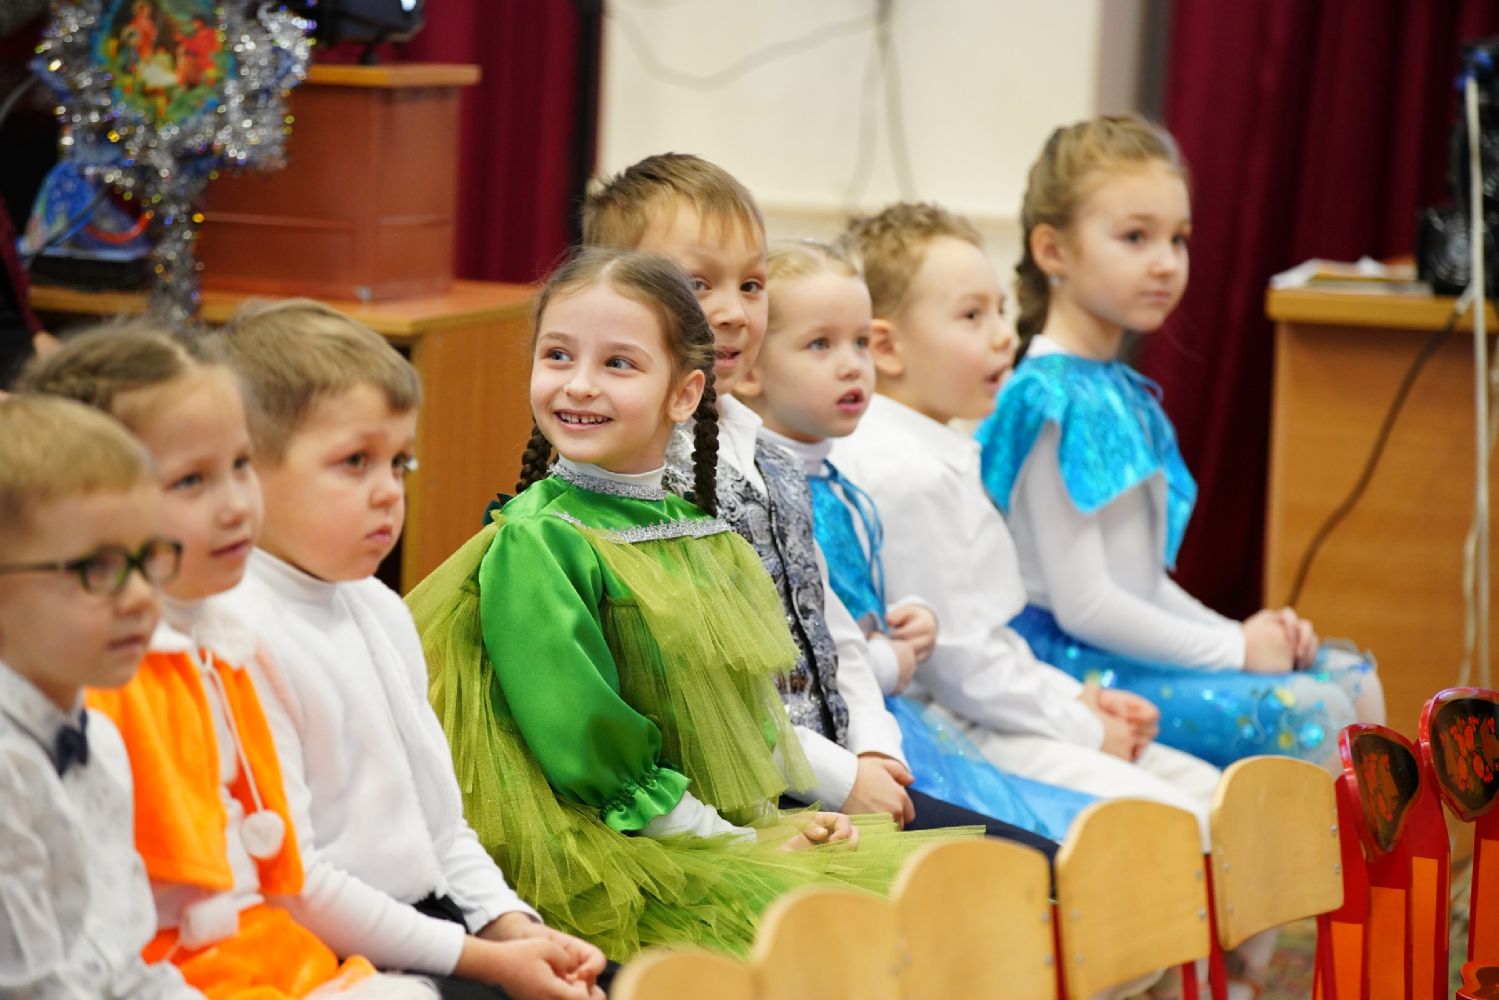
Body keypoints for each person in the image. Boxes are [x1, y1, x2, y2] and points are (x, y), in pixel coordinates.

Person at [410, 248, 968, 963]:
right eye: (557, 355)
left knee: (941, 927)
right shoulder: (539, 541)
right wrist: (746, 849)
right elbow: (593, 757)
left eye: (618, 363)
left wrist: (781, 825)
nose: (578, 384)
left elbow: (739, 721)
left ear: (683, 394)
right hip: (609, 851)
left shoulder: (701, 532)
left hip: (705, 830)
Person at [582, 152, 1058, 851]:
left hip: (830, 768)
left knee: (1041, 870)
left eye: (751, 284)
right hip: (741, 798)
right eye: (698, 283)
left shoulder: (766, 455)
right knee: (1010, 887)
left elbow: (828, 624)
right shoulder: (644, 479)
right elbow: (709, 695)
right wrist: (843, 777)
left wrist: (875, 747)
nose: (732, 311)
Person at [19, 323, 428, 998]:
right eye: (191, 480)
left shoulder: (222, 638)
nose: (237, 504)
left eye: (241, 466)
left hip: (257, 953)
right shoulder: (102, 684)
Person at [215, 299, 606, 1000]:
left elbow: (441, 827)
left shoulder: (377, 607)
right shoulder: (237, 633)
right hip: (324, 957)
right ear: (243, 470)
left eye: (399, 462)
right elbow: (297, 884)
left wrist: (512, 927)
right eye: (354, 463)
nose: (387, 494)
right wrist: (483, 961)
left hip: (424, 924)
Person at [976, 115, 1383, 769]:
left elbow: (1141, 585)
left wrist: (1251, 637)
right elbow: (1086, 606)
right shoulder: (1048, 396)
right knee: (1311, 711)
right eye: (1135, 237)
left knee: (1353, 679)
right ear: (1052, 250)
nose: (1166, 262)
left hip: (1116, 648)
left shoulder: (1117, 390)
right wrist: (1237, 652)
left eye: (1178, 238)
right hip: (1072, 668)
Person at [735, 238, 1094, 841]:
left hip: (883, 718)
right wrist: (890, 659)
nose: (851, 365)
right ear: (748, 370)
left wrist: (909, 622)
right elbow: (801, 661)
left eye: (859, 343)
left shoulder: (837, 480)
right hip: (830, 742)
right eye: (821, 345)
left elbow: (853, 613)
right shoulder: (771, 494)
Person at [0, 394, 200, 997]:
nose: (140, 596)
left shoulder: (99, 740)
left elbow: (126, 967)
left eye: (146, 559)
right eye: (99, 567)